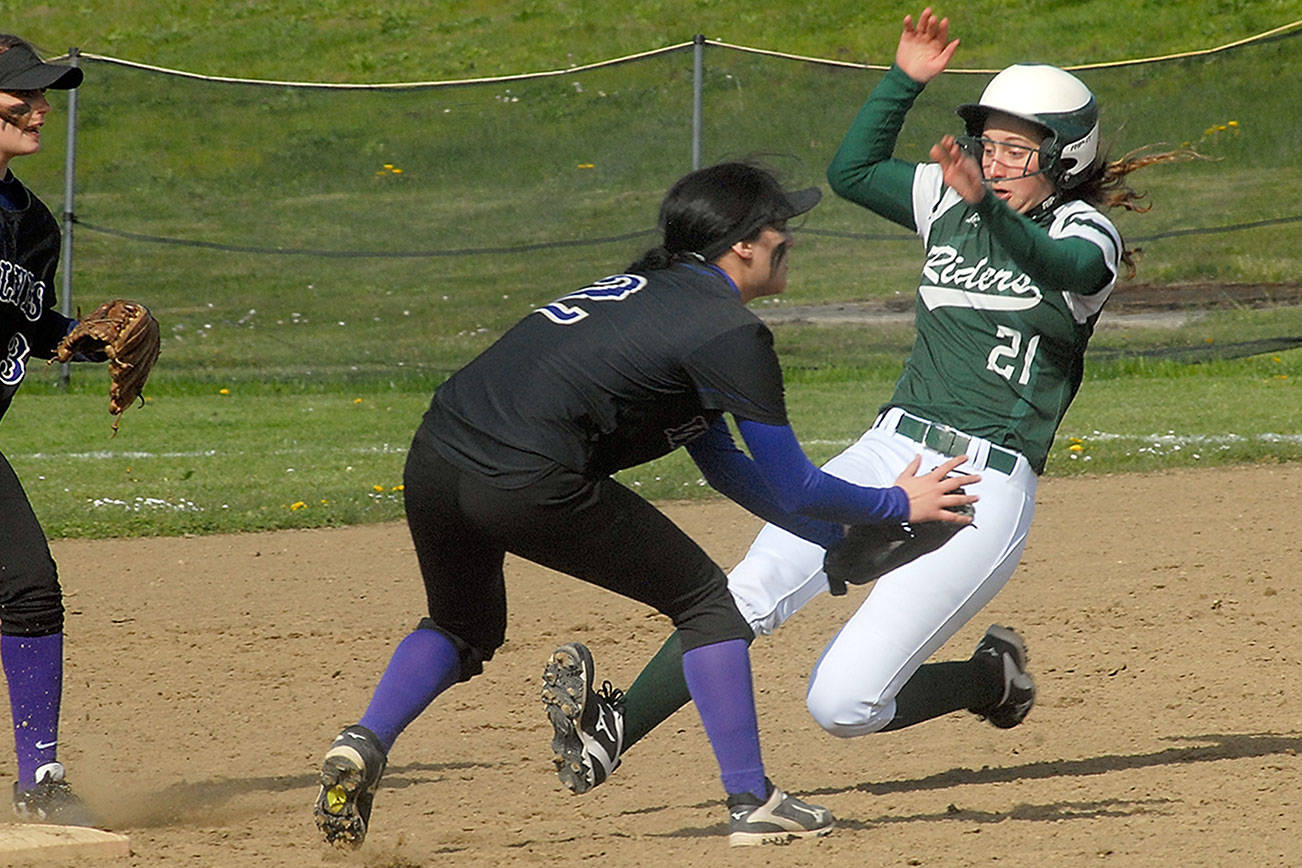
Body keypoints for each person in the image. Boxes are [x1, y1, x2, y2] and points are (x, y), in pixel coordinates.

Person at [543, 7, 1197, 797]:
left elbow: (1058, 263)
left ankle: (988, 680)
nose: (993, 163)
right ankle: (614, 730)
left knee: (844, 704)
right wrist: (902, 82)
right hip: (896, 446)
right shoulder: (955, 199)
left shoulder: (1086, 232)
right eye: (988, 144)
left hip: (984, 485)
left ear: (1064, 158)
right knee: (750, 589)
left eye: (1017, 149)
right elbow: (851, 171)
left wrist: (983, 206)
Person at [311, 160, 978, 849]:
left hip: (437, 458)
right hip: (527, 473)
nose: (789, 237)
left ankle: (363, 742)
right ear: (742, 244)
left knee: (460, 626)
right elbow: (794, 481)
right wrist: (894, 500)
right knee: (709, 607)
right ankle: (753, 801)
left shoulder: (658, 294)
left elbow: (726, 468)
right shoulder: (728, 333)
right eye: (779, 224)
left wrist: (832, 543)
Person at [0, 36, 97, 824]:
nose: (38, 108)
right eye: (20, 94)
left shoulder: (32, 225)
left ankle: (41, 780)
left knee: (30, 588)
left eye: (44, 95)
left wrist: (77, 335)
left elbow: (26, 321)